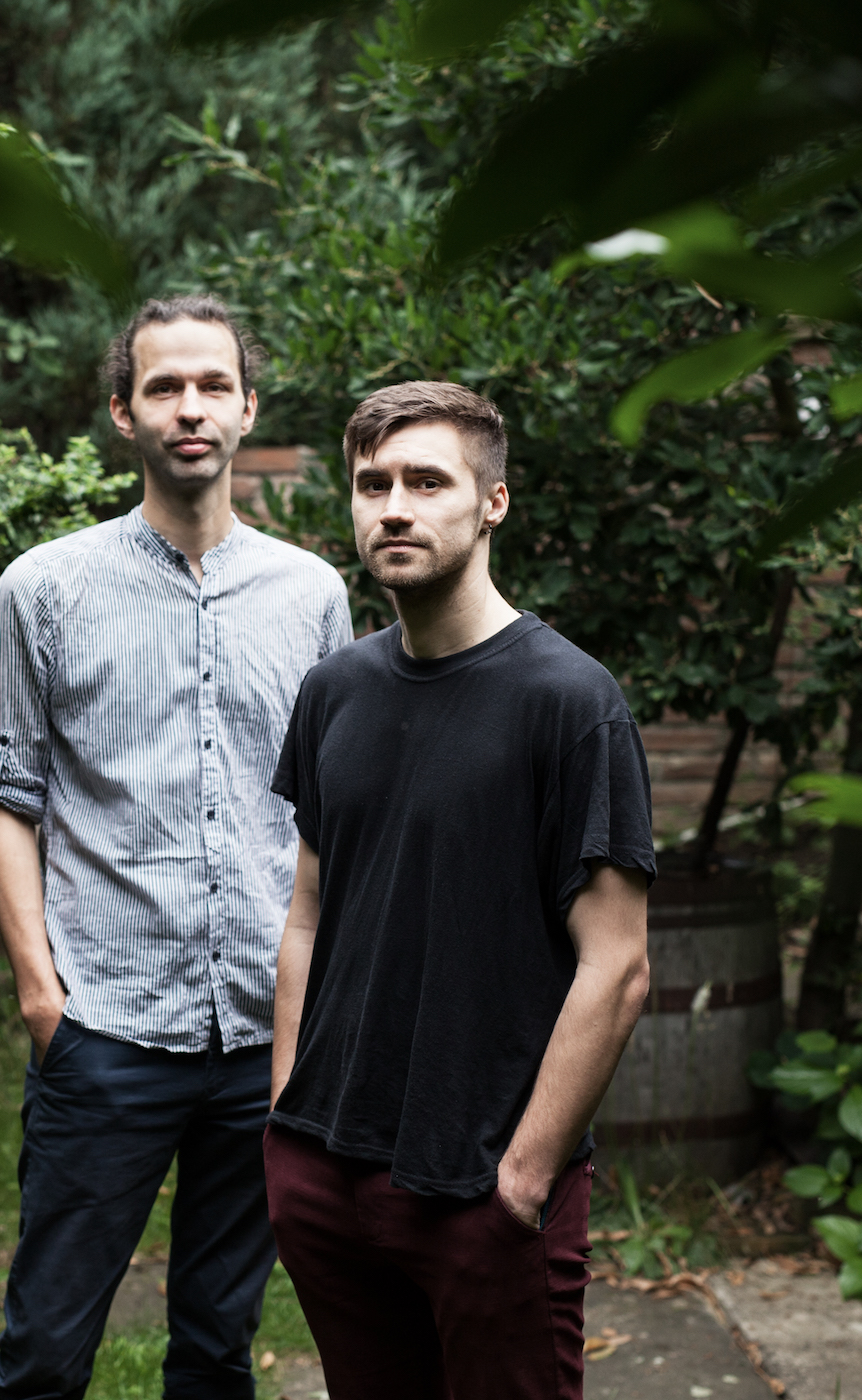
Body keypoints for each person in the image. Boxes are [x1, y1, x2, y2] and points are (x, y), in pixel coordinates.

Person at [0, 296, 353, 1400]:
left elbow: (328, 813)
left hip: (262, 1037)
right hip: (106, 1028)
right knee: (45, 1354)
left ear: (248, 407)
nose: (191, 408)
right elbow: (8, 798)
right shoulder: (44, 590)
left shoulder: (314, 596)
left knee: (217, 1350)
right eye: (164, 387)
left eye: (212, 385)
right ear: (122, 412)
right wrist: (43, 1000)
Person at [262, 381, 657, 1400]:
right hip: (325, 1170)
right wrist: (285, 1121)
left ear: (493, 502)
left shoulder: (571, 702)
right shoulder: (334, 691)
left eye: (428, 482)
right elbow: (307, 914)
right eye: (373, 484)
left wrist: (523, 1177)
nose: (394, 507)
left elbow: (617, 966)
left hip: (481, 1186)